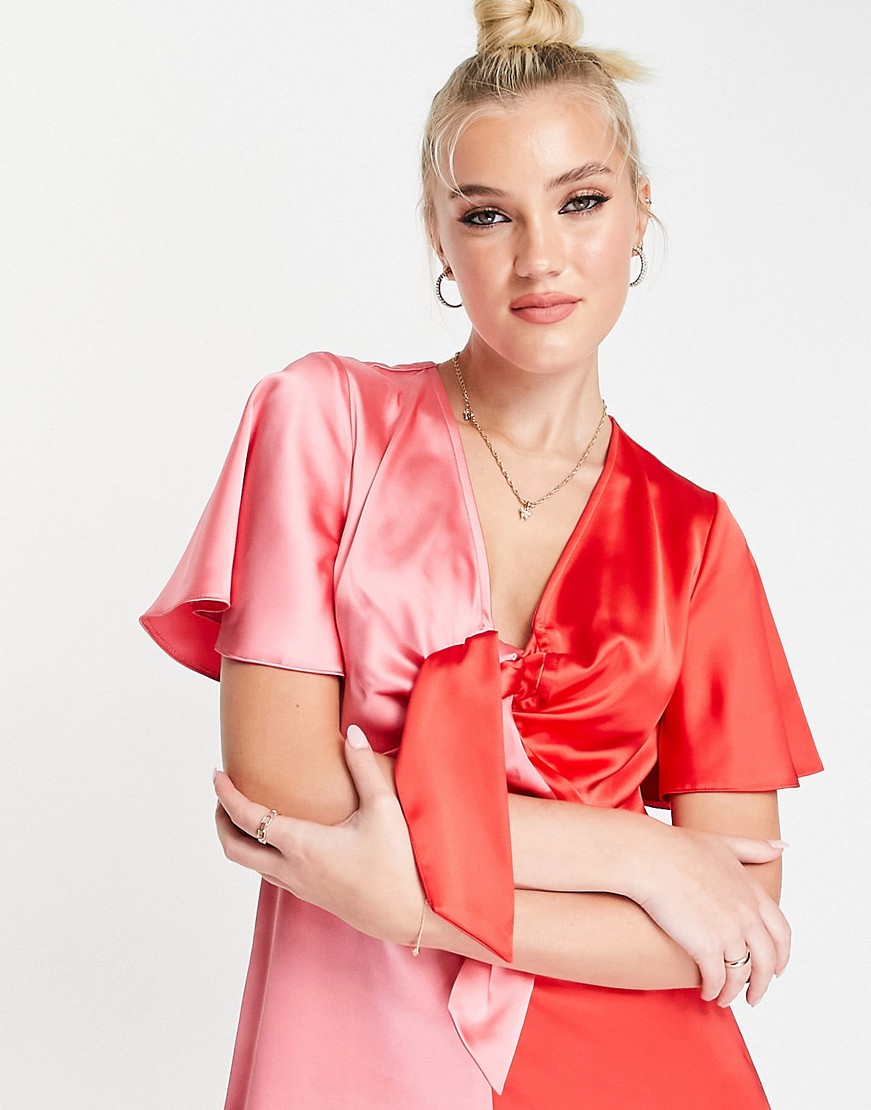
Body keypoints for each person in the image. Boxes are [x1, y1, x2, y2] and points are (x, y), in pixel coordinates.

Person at [140, 1, 822, 1106]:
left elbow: (737, 916)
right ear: (438, 233)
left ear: (641, 212)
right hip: (356, 1058)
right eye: (489, 213)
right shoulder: (327, 422)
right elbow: (279, 783)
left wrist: (412, 909)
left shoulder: (694, 537)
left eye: (581, 201)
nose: (540, 257)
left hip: (638, 1073)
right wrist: (636, 854)